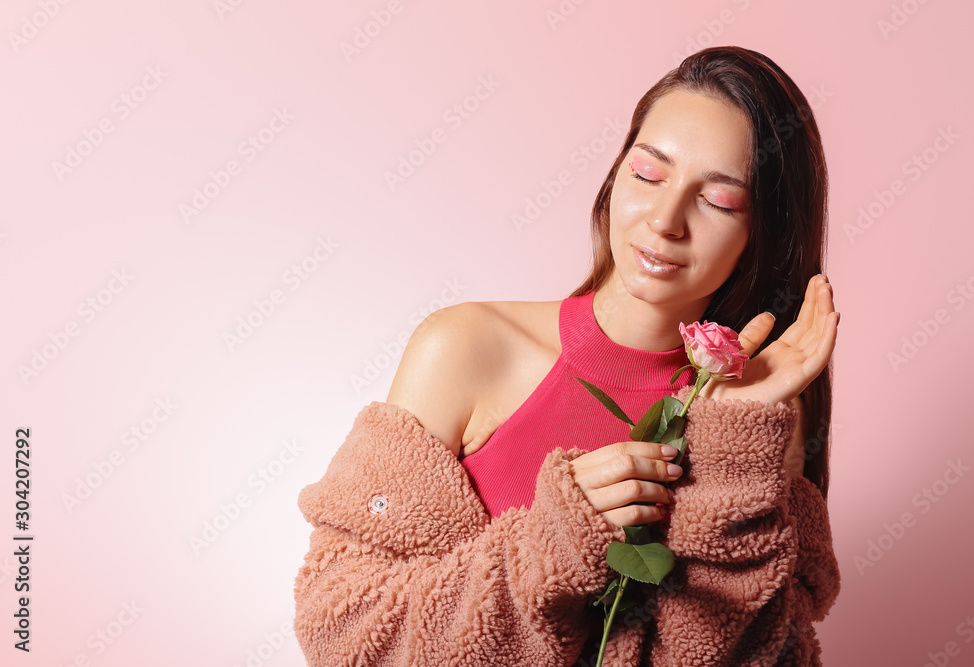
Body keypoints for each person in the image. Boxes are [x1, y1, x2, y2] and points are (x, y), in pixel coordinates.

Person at [293, 46, 841, 666]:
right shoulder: (467, 346)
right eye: (649, 174)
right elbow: (344, 629)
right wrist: (553, 542)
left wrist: (733, 452)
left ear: (762, 231)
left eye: (718, 201)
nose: (664, 220)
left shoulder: (760, 418)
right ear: (614, 178)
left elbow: (750, 654)